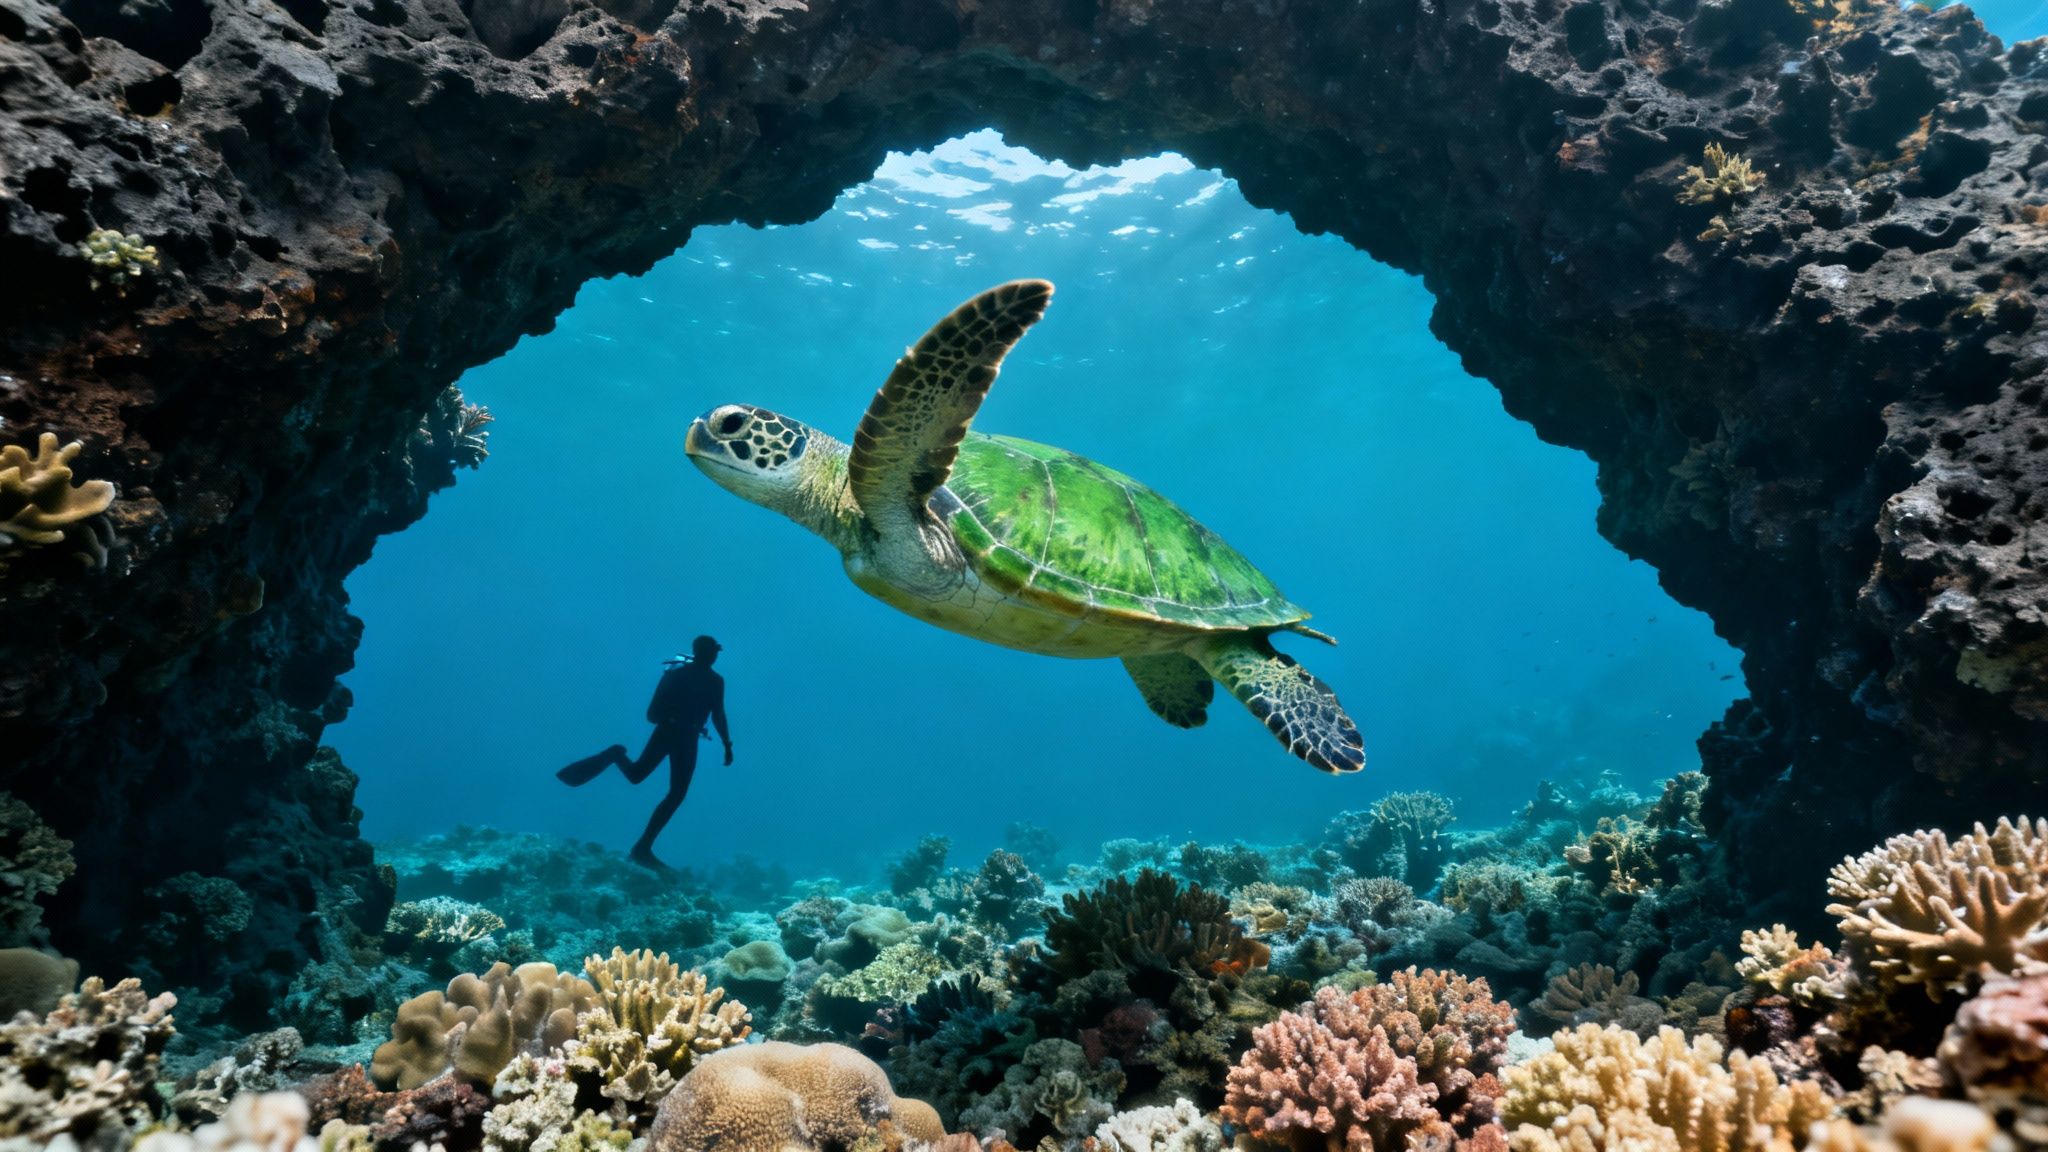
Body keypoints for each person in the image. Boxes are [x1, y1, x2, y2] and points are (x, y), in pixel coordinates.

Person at [557, 634, 733, 870]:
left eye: (716, 652)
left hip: (688, 738)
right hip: (668, 733)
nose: (715, 656)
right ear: (701, 652)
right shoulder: (676, 676)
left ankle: (643, 847)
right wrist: (676, 721)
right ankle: (614, 754)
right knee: (637, 777)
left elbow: (718, 714)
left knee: (677, 793)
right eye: (713, 651)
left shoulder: (716, 681)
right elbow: (651, 715)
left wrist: (727, 743)